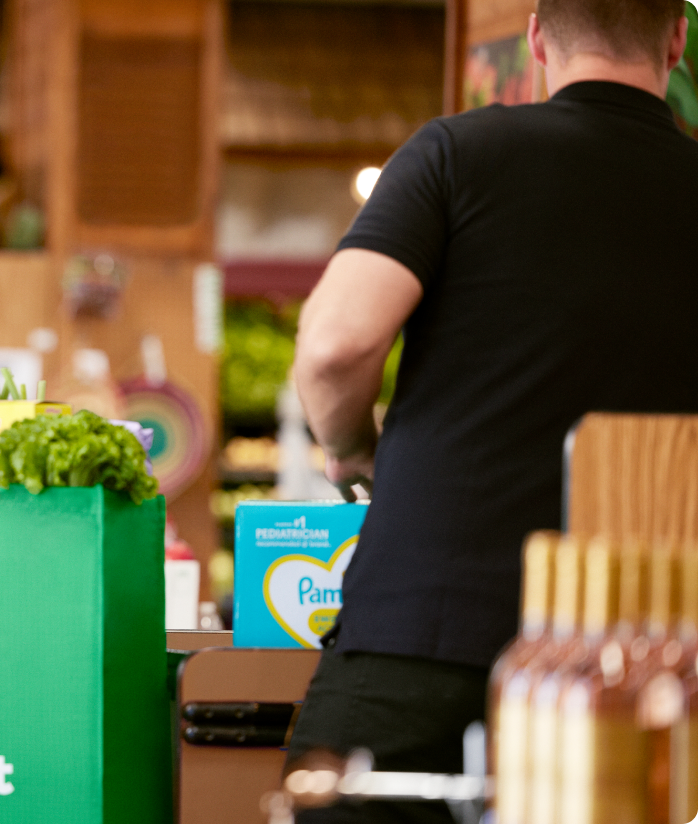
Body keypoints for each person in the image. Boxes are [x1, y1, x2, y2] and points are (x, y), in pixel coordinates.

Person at [285, 0, 698, 820]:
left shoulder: (456, 152)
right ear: (677, 40)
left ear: (536, 36)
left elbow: (334, 345)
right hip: (646, 675)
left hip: (425, 635)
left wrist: (351, 445)